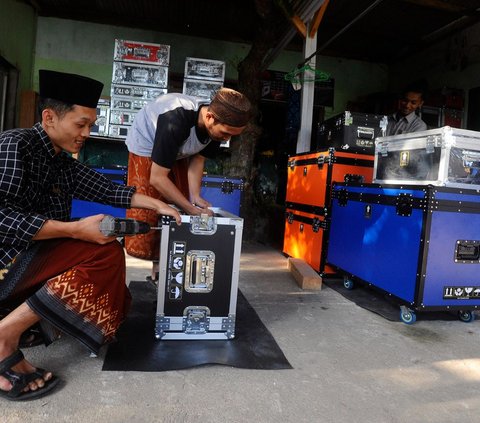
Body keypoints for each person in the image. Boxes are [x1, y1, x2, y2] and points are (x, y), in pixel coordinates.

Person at [0, 70, 181, 401]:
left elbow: (112, 192)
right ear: (49, 117)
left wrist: (159, 204)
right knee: (102, 251)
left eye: (91, 125)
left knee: (116, 291)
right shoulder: (15, 145)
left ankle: (32, 322)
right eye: (80, 124)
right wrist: (73, 230)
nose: (87, 133)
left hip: (30, 257)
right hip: (6, 262)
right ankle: (4, 336)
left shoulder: (62, 162)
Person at [124, 88, 252, 273]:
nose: (227, 139)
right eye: (225, 133)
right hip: (148, 143)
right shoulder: (175, 121)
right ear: (210, 118)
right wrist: (191, 209)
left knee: (180, 201)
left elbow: (198, 160)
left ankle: (168, 265)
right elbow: (157, 178)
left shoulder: (217, 128)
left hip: (180, 148)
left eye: (232, 135)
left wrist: (195, 196)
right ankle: (157, 271)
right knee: (150, 208)